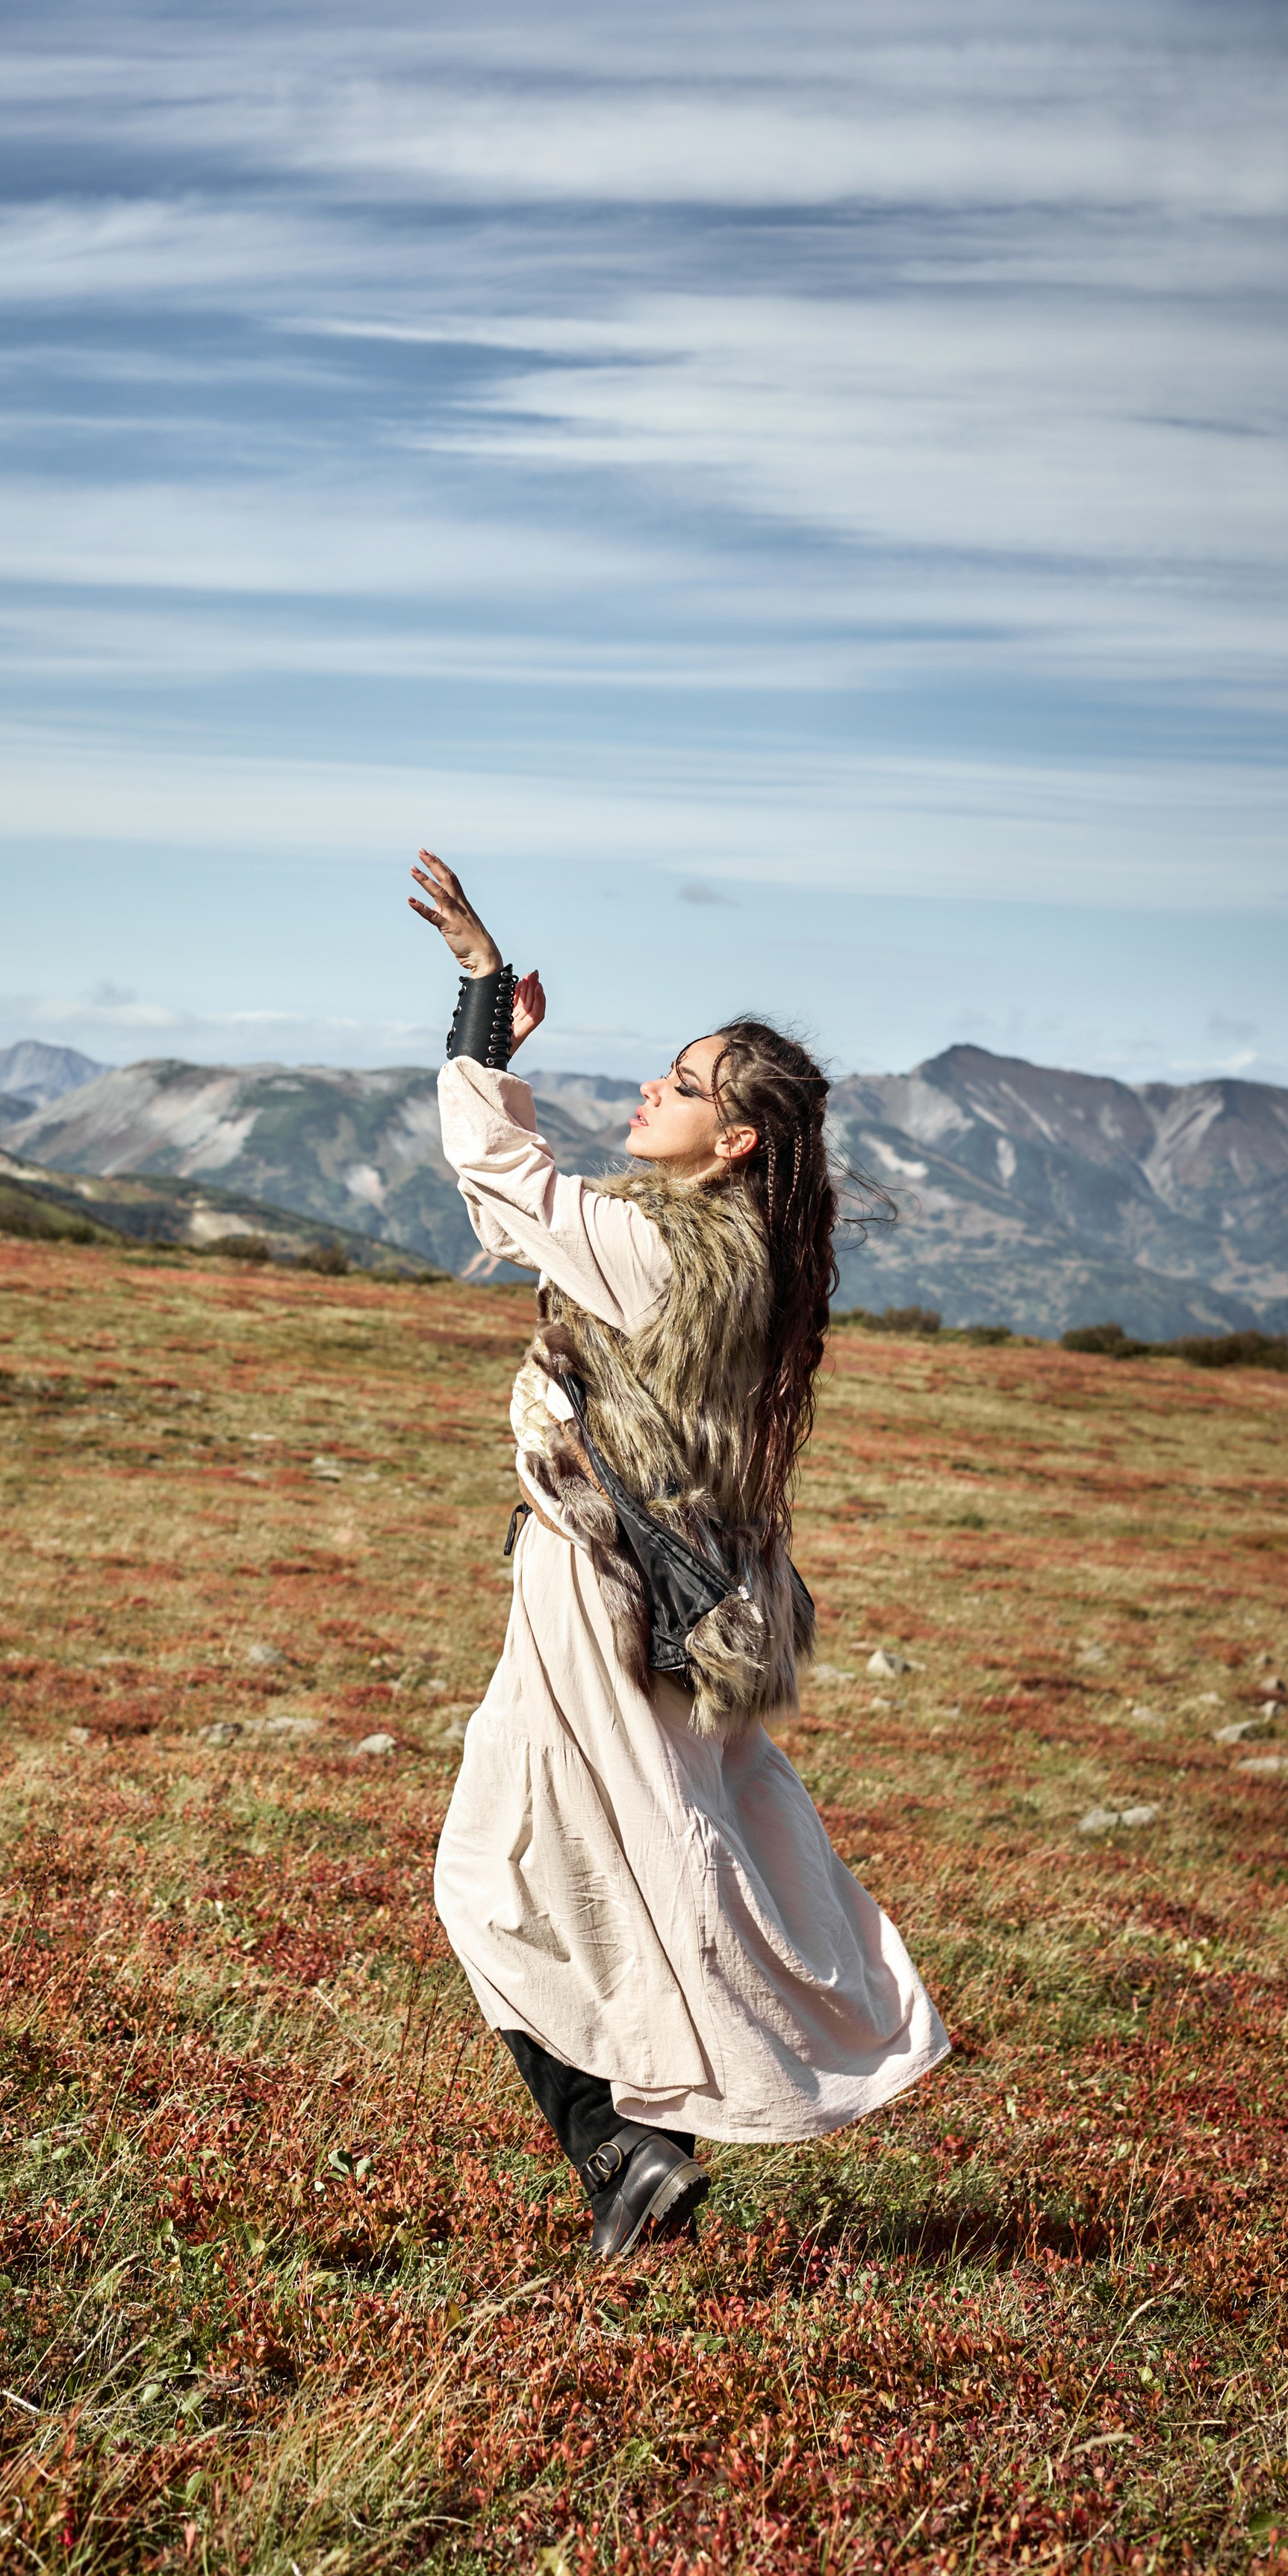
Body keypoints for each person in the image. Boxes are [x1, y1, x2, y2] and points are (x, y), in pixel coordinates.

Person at [408, 850, 950, 2262]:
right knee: (597, 1857)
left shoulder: (664, 1258)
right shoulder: (729, 1252)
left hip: (598, 1585)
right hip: (667, 1598)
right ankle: (631, 2149)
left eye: (686, 1083)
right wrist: (496, 1050)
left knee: (524, 1869)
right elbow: (512, 1204)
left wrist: (477, 994)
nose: (654, 1088)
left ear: (735, 1140)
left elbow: (490, 1167)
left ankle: (630, 2147)